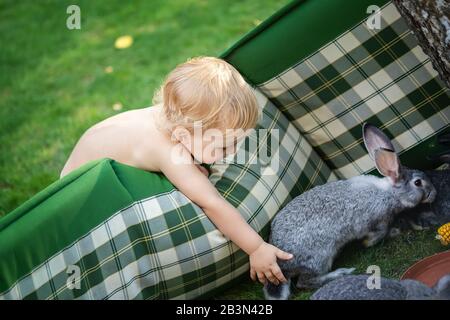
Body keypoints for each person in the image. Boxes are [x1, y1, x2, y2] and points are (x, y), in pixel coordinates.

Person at [61, 56, 293, 285]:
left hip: (87, 161)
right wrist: (257, 247)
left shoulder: (177, 118)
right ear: (182, 136)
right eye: (222, 145)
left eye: (237, 141)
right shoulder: (166, 149)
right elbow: (212, 203)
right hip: (78, 197)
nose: (232, 151)